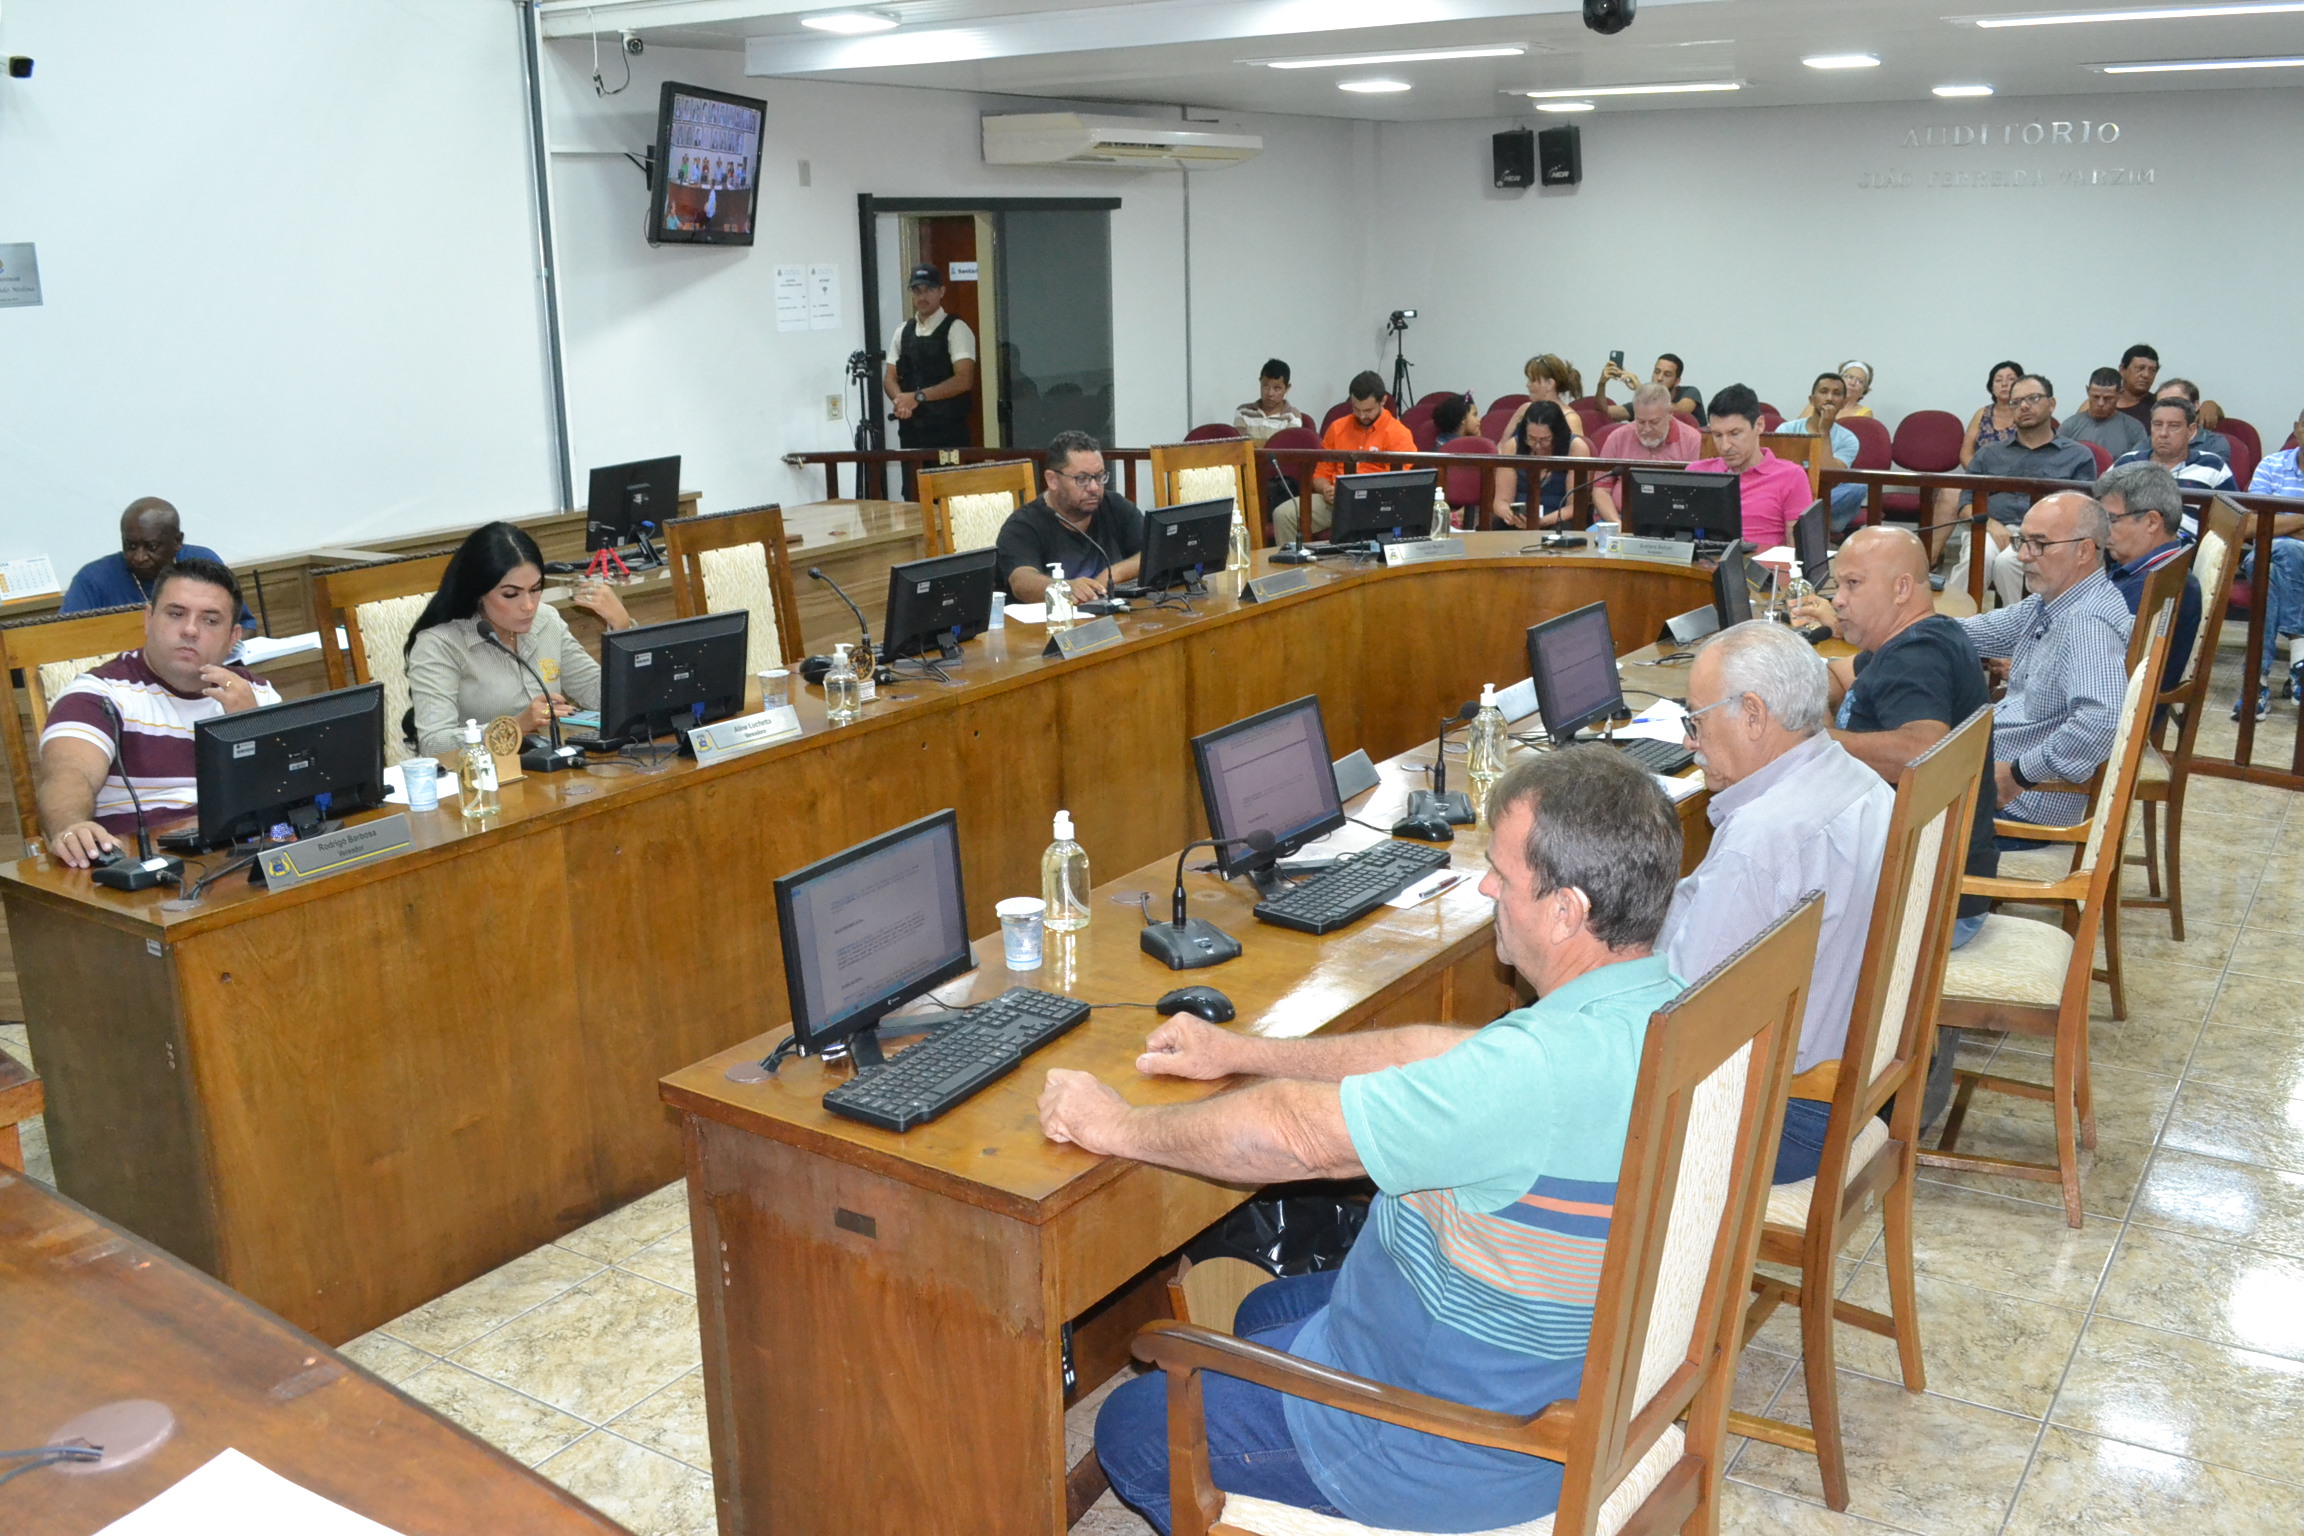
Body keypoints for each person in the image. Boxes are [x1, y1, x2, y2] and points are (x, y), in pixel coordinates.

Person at [1051, 748, 1686, 1534]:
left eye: (1502, 874)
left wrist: (1113, 1125)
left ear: (1566, 911)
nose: (1485, 888)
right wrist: (1244, 1052)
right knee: (1268, 1309)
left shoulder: (1529, 1075)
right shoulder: (1661, 1007)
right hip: (1584, 1377)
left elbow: (1296, 1136)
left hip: (1455, 1450)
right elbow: (1432, 1053)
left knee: (1135, 1427)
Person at [1659, 621, 1892, 1184]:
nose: (1690, 742)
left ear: (1753, 715)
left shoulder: (1762, 842)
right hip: (1858, 1088)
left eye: (1696, 720)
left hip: (1784, 1118)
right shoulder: (1863, 782)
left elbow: (1680, 1017)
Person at [1794, 526, 1997, 951]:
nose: (1838, 600)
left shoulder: (1917, 656)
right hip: (1935, 887)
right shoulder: (1918, 638)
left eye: (1853, 584)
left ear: (1902, 588)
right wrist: (1796, 699)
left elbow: (1921, 750)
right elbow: (1836, 677)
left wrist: (1809, 742)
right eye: (1838, 586)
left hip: (1925, 905)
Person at [36, 557, 280, 868]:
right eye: (176, 614)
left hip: (245, 860)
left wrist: (251, 727)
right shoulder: (99, 694)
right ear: (149, 619)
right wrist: (71, 826)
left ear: (233, 637)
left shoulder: (256, 693)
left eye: (210, 621)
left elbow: (291, 797)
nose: (190, 630)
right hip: (146, 867)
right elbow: (68, 774)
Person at [1957, 493, 2130, 842]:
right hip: (1996, 774)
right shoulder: (2054, 602)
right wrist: (1894, 625)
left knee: (1877, 805)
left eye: (2039, 544)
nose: (2023, 555)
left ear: (2084, 551)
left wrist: (2019, 775)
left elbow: (2104, 719)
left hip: (2019, 806)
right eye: (2022, 541)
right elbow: (1977, 632)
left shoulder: (2087, 623)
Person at [403, 522, 634, 760]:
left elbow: (601, 698)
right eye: (511, 594)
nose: (529, 606)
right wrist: (515, 726)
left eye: (535, 589)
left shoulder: (546, 620)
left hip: (551, 766)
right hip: (484, 775)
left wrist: (623, 631)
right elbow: (434, 744)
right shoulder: (439, 644)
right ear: (478, 592)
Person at [1951, 374, 2098, 608]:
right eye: (2016, 402)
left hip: (2046, 537)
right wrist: (1990, 524)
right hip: (1990, 528)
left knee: (2010, 562)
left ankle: (2019, 626)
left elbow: (2082, 511)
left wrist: (2033, 536)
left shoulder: (2077, 456)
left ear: (2052, 404)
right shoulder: (1989, 453)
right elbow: (1965, 502)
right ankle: (1952, 625)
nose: (2024, 406)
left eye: (2033, 398)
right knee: (1976, 558)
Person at [61, 497, 253, 634]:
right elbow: (62, 641)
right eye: (131, 546)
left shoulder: (203, 563)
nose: (139, 557)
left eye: (151, 547)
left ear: (177, 542)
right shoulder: (93, 579)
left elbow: (246, 627)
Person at [995, 429, 1146, 602]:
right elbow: (1021, 581)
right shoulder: (1023, 524)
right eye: (1081, 478)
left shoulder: (1114, 506)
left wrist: (1112, 574)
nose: (1094, 487)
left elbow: (1152, 553)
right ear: (1052, 480)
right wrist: (1064, 588)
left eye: (1099, 476)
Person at [2096, 462, 2201, 693]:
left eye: (2111, 519)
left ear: (2152, 521)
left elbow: (2102, 667)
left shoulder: (2155, 586)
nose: (2102, 531)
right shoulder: (2162, 565)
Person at [1278, 371, 1414, 545]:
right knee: (1284, 515)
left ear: (1383, 402)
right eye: (1356, 409)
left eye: (1368, 410)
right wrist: (1326, 489)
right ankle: (1294, 561)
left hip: (1376, 505)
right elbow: (1320, 475)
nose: (1362, 415)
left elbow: (1399, 484)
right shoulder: (1337, 428)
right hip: (1335, 503)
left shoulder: (1399, 434)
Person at [1685, 384, 1813, 549]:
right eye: (1717, 435)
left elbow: (1797, 553)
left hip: (1762, 564)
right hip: (1705, 562)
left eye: (1735, 434)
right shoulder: (1696, 473)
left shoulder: (1791, 476)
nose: (1725, 446)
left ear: (1759, 425)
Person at [2239, 407, 2304, 716]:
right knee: (2277, 558)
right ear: (2297, 429)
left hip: (2268, 554)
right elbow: (2251, 526)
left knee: (2266, 567)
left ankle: (2255, 684)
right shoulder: (2272, 465)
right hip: (2267, 551)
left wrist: (2279, 522)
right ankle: (2299, 657)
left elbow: (2264, 525)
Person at [881, 265, 977, 451]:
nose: (922, 297)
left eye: (929, 290)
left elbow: (964, 380)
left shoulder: (956, 329)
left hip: (948, 433)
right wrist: (900, 401)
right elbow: (890, 377)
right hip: (911, 433)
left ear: (941, 292)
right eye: (917, 291)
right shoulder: (902, 331)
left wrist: (918, 396)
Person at [1591, 383, 1702, 523]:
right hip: (1619, 519)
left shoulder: (1692, 440)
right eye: (1641, 422)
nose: (1646, 429)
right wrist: (1618, 525)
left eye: (1654, 422)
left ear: (1670, 414)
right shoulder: (1617, 438)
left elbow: (1696, 494)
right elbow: (1601, 489)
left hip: (1674, 521)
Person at [1775, 371, 1865, 533]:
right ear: (1812, 400)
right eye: (1824, 392)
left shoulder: (1848, 439)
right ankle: (1811, 516)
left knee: (1858, 487)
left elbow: (1831, 477)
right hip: (1792, 492)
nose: (1829, 398)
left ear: (1843, 403)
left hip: (1829, 494)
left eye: (1836, 394)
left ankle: (1804, 516)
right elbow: (1778, 473)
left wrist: (1824, 432)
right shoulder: (1787, 430)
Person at [2111, 396, 2236, 513]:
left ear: (2191, 430)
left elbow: (2236, 518)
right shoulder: (2127, 462)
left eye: (2174, 426)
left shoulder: (2212, 465)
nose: (2163, 433)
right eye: (2158, 425)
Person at [1488, 399, 1593, 529]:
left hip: (1559, 519)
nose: (1537, 446)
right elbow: (1501, 501)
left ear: (1558, 434)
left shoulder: (1576, 448)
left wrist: (1541, 522)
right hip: (1520, 520)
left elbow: (1575, 506)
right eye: (1531, 438)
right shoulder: (1513, 446)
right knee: (1498, 524)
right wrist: (1510, 515)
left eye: (1545, 439)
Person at [1493, 354, 1583, 447]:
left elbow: (1575, 451)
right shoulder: (1524, 409)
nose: (1527, 385)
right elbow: (1502, 445)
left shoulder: (1570, 419)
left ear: (1550, 384)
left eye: (1532, 380)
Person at [2060, 367, 2149, 459]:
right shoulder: (2069, 427)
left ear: (2120, 394)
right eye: (2096, 397)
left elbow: (2141, 463)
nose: (2101, 403)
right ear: (2087, 391)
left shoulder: (2133, 428)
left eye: (2108, 398)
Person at [1959, 360, 2026, 468]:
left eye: (2011, 379)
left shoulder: (2027, 413)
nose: (2004, 384)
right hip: (1981, 475)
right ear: (1991, 388)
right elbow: (1966, 453)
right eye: (1998, 380)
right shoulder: (1981, 414)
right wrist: (1976, 473)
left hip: (2020, 475)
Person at [2150, 379, 2234, 462]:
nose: (2168, 410)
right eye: (2162, 405)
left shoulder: (2214, 443)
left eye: (2176, 404)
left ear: (2195, 406)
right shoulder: (2149, 442)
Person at [1234, 359, 1308, 443]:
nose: (1270, 393)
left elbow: (1285, 446)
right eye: (1265, 386)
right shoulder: (1243, 412)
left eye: (1277, 388)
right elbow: (1242, 445)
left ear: (1287, 388)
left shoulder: (1292, 416)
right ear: (1260, 382)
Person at [2113, 343, 2161, 423]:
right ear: (2122, 369)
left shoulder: (2158, 406)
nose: (2146, 375)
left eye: (2152, 370)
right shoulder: (2103, 402)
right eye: (2140, 368)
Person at [1655, 352, 1704, 424]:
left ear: (1677, 381)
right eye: (1656, 372)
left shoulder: (1691, 392)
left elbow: (1680, 411)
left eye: (1667, 375)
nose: (1659, 378)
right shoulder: (1646, 398)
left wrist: (1641, 392)